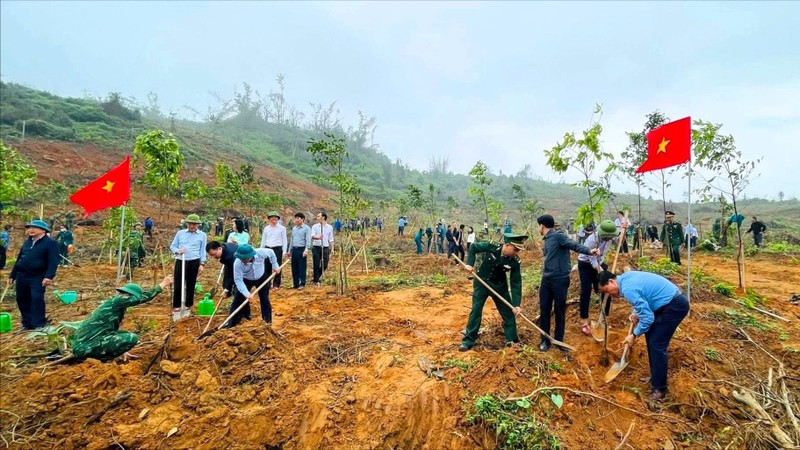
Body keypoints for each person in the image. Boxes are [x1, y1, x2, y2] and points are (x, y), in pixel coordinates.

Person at [598, 270, 689, 402]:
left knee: (657, 344)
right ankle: (656, 376)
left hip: (674, 306)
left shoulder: (628, 288)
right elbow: (644, 296)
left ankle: (659, 389)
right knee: (651, 336)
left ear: (611, 281)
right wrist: (636, 312)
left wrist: (634, 335)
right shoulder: (625, 278)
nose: (609, 295)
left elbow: (648, 318)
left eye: (607, 290)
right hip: (666, 304)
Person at [72, 276, 173, 362]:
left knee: (122, 333)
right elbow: (141, 298)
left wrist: (121, 350)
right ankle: (101, 360)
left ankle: (104, 356)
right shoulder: (117, 301)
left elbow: (109, 332)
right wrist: (162, 284)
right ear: (128, 295)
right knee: (132, 338)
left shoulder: (114, 304)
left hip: (85, 344)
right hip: (85, 347)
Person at [537, 214, 599, 352]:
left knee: (559, 309)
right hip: (546, 279)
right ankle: (545, 340)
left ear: (542, 225)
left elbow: (574, 245)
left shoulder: (559, 236)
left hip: (560, 280)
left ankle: (559, 340)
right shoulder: (546, 239)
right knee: (544, 309)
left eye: (538, 226)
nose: (538, 229)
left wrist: (589, 250)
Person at [459, 233, 528, 352]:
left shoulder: (515, 261)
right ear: (507, 245)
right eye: (515, 249)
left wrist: (516, 304)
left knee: (508, 313)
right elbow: (473, 247)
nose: (517, 252)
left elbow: (516, 282)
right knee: (476, 310)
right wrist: (470, 263)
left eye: (518, 250)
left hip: (499, 287)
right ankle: (468, 340)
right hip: (482, 283)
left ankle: (512, 341)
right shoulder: (492, 247)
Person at [8, 220, 60, 330]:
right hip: (22, 275)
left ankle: (39, 324)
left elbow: (53, 261)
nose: (31, 230)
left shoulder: (50, 243)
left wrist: (49, 276)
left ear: (43, 230)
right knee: (21, 298)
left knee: (36, 298)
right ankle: (27, 323)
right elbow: (20, 259)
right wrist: (12, 275)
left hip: (38, 276)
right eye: (29, 227)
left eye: (34, 227)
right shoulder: (27, 242)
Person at [577, 220, 617, 335]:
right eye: (606, 237)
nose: (608, 239)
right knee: (586, 291)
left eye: (610, 237)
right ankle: (584, 322)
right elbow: (592, 260)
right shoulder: (592, 240)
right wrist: (601, 272)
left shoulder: (611, 237)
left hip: (600, 262)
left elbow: (618, 241)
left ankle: (604, 319)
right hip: (586, 264)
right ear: (601, 233)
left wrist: (623, 232)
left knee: (607, 289)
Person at [228, 244, 280, 328]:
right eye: (241, 259)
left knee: (265, 300)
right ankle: (231, 324)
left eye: (244, 259)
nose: (243, 261)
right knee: (238, 300)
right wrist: (246, 293)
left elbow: (271, 252)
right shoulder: (237, 263)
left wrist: (275, 265)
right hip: (246, 280)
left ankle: (267, 324)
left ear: (250, 256)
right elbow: (238, 280)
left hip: (261, 277)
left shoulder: (260, 253)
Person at [169, 214, 207, 320]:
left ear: (198, 225)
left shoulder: (202, 235)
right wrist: (177, 251)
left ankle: (187, 307)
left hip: (194, 261)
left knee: (191, 285)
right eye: (190, 224)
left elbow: (202, 250)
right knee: (178, 284)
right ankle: (176, 308)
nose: (192, 226)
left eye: (194, 224)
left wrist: (202, 264)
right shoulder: (180, 233)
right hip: (181, 261)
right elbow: (173, 246)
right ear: (187, 224)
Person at [261, 211, 288, 290]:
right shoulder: (266, 229)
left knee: (277, 266)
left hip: (277, 249)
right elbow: (263, 240)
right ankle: (267, 284)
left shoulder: (282, 228)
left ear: (278, 219)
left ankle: (276, 284)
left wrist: (284, 251)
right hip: (267, 248)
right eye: (272, 218)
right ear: (269, 219)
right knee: (267, 267)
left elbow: (284, 240)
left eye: (276, 218)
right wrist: (261, 250)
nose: (274, 220)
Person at [311, 212, 334, 287]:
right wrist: (317, 237)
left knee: (325, 263)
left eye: (318, 216)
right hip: (316, 247)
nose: (317, 217)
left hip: (325, 247)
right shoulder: (315, 226)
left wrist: (332, 248)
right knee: (316, 263)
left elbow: (331, 239)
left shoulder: (329, 227)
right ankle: (316, 280)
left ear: (323, 217)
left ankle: (317, 276)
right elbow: (312, 236)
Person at [290, 212, 312, 289]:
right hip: (294, 250)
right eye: (295, 218)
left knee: (302, 267)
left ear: (302, 219)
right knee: (294, 267)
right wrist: (289, 251)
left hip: (301, 249)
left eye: (298, 218)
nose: (296, 220)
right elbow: (292, 240)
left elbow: (308, 240)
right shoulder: (294, 228)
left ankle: (302, 283)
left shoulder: (306, 228)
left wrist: (306, 250)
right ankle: (295, 283)